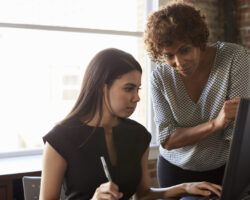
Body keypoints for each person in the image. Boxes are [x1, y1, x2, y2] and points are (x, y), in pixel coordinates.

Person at [40, 48, 222, 200]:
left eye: (138, 89)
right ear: (101, 87)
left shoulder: (138, 135)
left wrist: (185, 187)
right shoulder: (60, 139)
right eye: (128, 88)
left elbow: (143, 194)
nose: (136, 98)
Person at [144, 1, 250, 188]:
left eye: (185, 50)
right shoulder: (159, 77)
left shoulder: (235, 58)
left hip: (223, 169)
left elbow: (237, 133)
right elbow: (167, 139)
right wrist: (215, 124)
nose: (179, 62)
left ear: (199, 41)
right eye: (169, 55)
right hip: (174, 171)